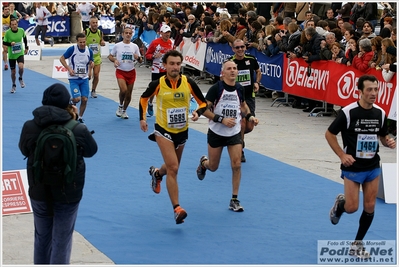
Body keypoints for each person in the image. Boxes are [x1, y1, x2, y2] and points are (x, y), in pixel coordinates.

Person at [18, 83, 98, 264]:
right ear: (67, 103)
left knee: (41, 238)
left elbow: (24, 150)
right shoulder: (77, 128)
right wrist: (76, 120)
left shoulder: (30, 126)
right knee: (62, 240)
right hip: (68, 191)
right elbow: (91, 151)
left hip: (39, 189)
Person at [326, 74, 396, 258]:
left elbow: (382, 135)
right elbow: (329, 134)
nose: (374, 93)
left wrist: (387, 141)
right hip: (353, 167)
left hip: (373, 166)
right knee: (351, 208)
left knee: (370, 206)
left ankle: (357, 244)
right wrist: (342, 155)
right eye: (369, 90)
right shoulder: (348, 112)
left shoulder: (380, 113)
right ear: (360, 92)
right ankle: (339, 205)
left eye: (376, 89)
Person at [139, 50, 208, 224]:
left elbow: (203, 102)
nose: (175, 67)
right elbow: (143, 99)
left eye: (178, 64)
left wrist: (198, 113)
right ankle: (177, 209)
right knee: (174, 168)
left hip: (182, 131)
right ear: (165, 65)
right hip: (163, 130)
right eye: (172, 64)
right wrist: (142, 118)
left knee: (171, 167)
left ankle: (157, 173)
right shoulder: (158, 83)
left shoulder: (188, 82)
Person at [196, 60, 259, 212]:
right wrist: (221, 119)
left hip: (234, 132)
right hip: (217, 131)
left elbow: (243, 106)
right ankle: (204, 163)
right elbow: (204, 109)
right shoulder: (216, 88)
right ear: (223, 72)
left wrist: (250, 116)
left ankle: (234, 199)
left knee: (236, 164)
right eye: (229, 69)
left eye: (235, 68)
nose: (232, 71)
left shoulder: (239, 88)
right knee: (213, 166)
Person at [228, 39, 261, 163]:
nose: (240, 49)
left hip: (249, 97)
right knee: (241, 123)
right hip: (236, 98)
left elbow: (258, 71)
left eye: (242, 47)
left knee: (249, 126)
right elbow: (222, 77)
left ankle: (237, 137)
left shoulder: (251, 59)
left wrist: (257, 82)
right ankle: (240, 150)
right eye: (237, 47)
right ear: (233, 49)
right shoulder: (230, 62)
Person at [108, 25, 143, 119]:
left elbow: (140, 60)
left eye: (130, 33)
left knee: (129, 94)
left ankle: (124, 110)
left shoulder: (134, 46)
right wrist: (114, 60)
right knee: (123, 90)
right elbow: (110, 56)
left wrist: (138, 58)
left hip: (131, 72)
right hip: (121, 71)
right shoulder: (117, 46)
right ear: (122, 34)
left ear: (132, 35)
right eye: (126, 33)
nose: (128, 35)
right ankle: (120, 105)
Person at [59, 33, 94, 123]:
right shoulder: (72, 49)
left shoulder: (89, 51)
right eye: (80, 42)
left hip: (84, 78)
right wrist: (69, 68)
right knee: (77, 99)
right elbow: (62, 59)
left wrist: (90, 72)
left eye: (84, 42)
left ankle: (80, 117)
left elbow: (91, 62)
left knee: (85, 99)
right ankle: (70, 102)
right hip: (74, 78)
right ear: (77, 42)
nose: (82, 44)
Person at [144, 24, 173, 117]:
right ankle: (150, 103)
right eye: (165, 33)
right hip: (156, 69)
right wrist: (153, 56)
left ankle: (164, 109)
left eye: (169, 32)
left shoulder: (171, 43)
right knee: (154, 88)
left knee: (166, 89)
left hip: (167, 70)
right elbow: (147, 55)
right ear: (161, 33)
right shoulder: (155, 43)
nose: (167, 34)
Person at [3, 18, 28, 93]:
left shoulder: (21, 30)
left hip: (20, 53)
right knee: (13, 72)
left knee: (21, 67)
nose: (14, 26)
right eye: (12, 25)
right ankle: (14, 85)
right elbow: (4, 43)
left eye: (15, 24)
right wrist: (10, 44)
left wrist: (26, 47)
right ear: (10, 25)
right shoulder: (7, 33)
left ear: (17, 24)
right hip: (12, 55)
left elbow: (25, 39)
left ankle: (20, 78)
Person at [85, 16, 105, 98]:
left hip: (96, 57)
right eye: (93, 23)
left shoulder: (100, 32)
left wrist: (102, 42)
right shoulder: (86, 32)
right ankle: (85, 90)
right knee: (87, 76)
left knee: (96, 75)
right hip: (87, 57)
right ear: (90, 24)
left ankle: (93, 90)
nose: (95, 24)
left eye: (96, 22)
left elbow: (101, 41)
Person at [3, 5, 16, 71]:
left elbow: (15, 24)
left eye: (8, 9)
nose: (7, 10)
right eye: (6, 9)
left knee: (8, 50)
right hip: (3, 36)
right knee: (5, 49)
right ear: (3, 11)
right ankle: (5, 64)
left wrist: (10, 25)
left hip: (10, 35)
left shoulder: (11, 17)